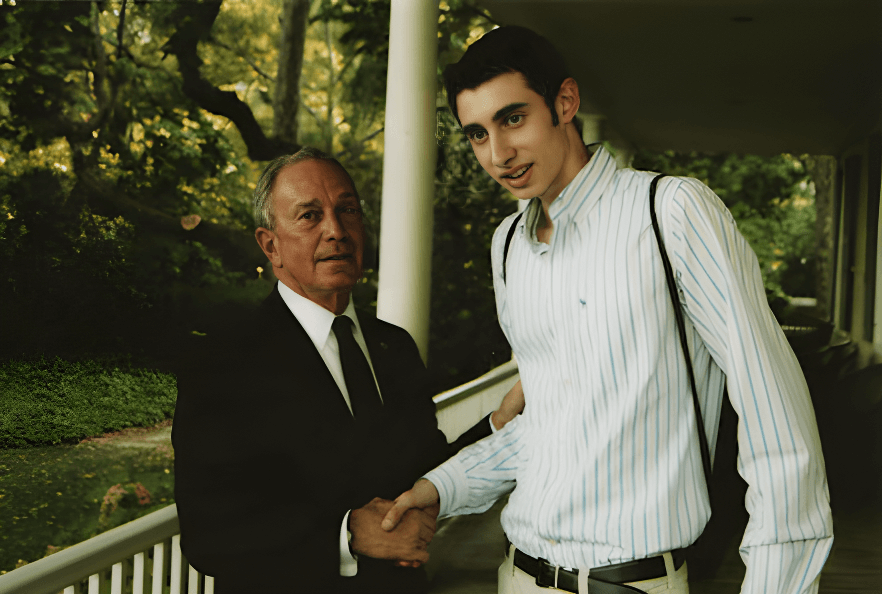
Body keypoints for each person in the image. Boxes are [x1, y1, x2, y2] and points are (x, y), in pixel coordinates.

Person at [381, 26, 833, 594]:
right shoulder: (508, 245)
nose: (498, 155)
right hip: (516, 576)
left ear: (564, 103)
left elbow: (778, 422)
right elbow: (549, 425)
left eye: (513, 118)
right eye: (477, 133)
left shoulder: (670, 213)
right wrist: (444, 485)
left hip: (632, 583)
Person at [172, 147, 523, 594]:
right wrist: (347, 534)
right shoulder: (224, 362)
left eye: (347, 210)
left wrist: (499, 424)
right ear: (270, 245)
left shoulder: (393, 347)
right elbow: (209, 536)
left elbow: (421, 473)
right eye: (309, 216)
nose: (335, 231)